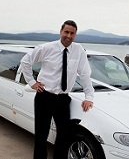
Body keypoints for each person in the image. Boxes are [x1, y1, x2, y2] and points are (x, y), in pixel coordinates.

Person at [20, 20, 94, 159]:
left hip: (63, 99)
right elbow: (25, 61)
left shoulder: (79, 50)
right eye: (66, 32)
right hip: (44, 97)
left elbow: (84, 74)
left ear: (75, 35)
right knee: (41, 135)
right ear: (61, 31)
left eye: (72, 33)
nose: (69, 36)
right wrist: (32, 82)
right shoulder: (46, 48)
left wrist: (89, 97)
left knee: (63, 136)